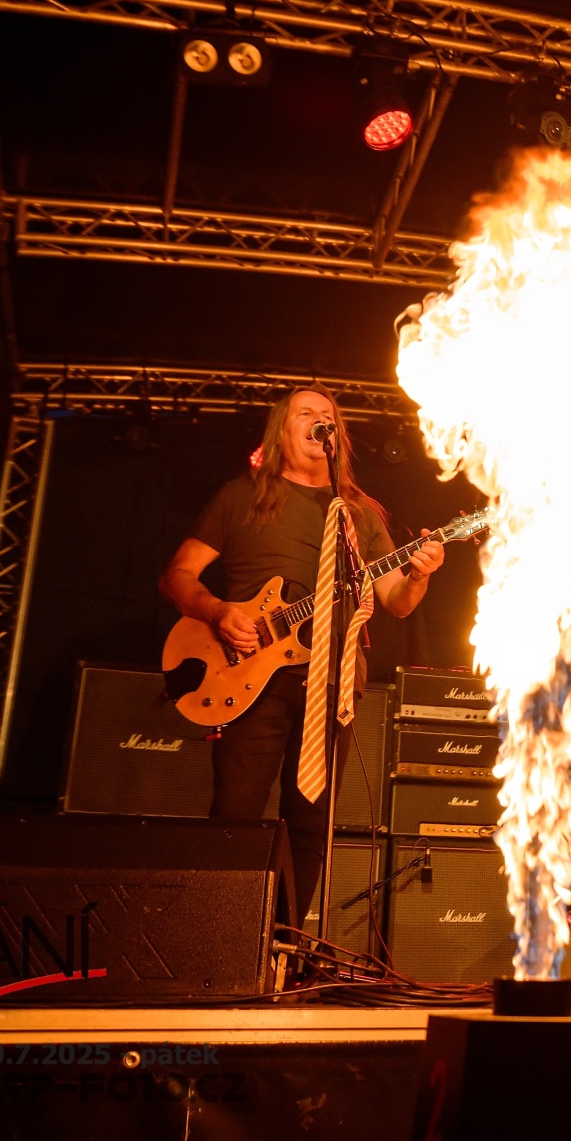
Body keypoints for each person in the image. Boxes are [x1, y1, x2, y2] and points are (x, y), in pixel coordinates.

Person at [159, 387, 444, 923]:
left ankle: (286, 944)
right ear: (282, 430)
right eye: (306, 413)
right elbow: (177, 576)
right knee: (236, 814)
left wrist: (419, 576)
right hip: (247, 673)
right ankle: (224, 935)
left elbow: (397, 603)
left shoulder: (359, 515)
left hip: (332, 683)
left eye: (328, 416)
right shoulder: (240, 497)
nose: (320, 421)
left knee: (310, 824)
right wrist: (218, 611)